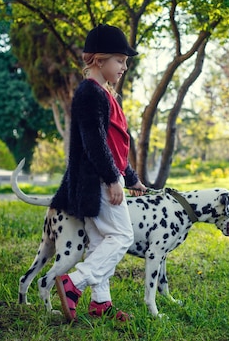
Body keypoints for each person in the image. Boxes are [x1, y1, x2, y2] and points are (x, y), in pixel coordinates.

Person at [51, 24, 147, 322]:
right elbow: (94, 144)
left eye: (125, 61)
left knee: (99, 242)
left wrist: (131, 178)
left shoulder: (103, 93)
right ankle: (74, 283)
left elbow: (115, 145)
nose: (124, 66)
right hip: (96, 182)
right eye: (119, 59)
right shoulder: (89, 93)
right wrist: (112, 179)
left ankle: (101, 304)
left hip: (101, 179)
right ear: (98, 60)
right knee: (121, 236)